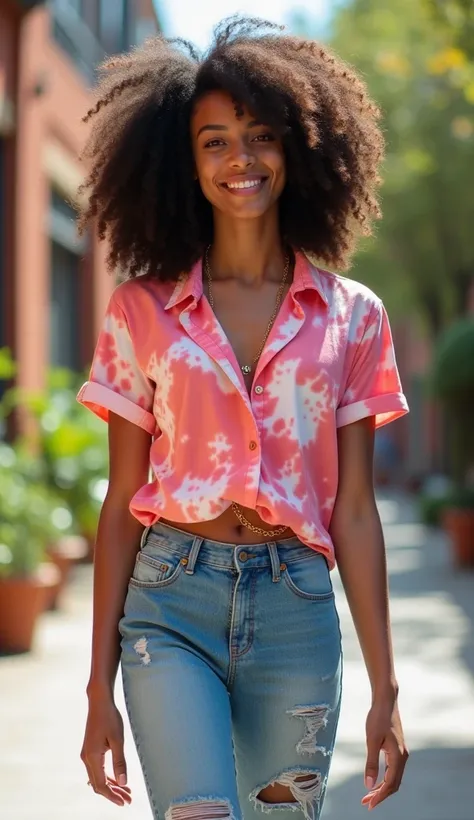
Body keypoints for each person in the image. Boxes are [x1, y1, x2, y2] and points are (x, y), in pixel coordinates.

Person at [76, 16, 409, 820]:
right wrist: (96, 691)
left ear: (297, 148)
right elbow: (123, 502)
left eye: (260, 136)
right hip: (170, 602)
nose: (240, 160)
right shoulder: (141, 311)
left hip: (296, 607)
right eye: (214, 141)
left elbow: (355, 511)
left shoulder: (353, 317)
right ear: (183, 162)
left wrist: (387, 689)